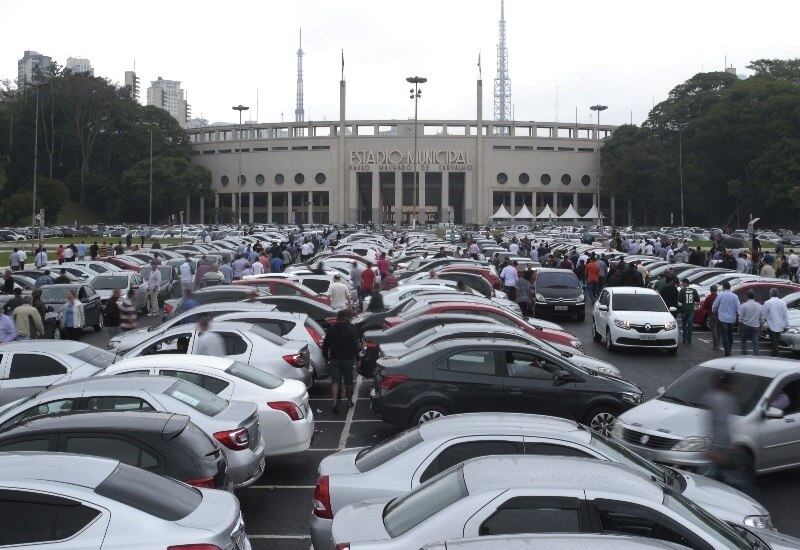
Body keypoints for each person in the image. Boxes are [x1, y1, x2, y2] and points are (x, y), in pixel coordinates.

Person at [703, 372, 758, 498]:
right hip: (724, 450)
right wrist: (720, 452)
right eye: (735, 385)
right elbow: (721, 426)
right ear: (729, 385)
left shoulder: (711, 397)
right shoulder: (723, 400)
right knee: (742, 481)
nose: (737, 388)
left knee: (718, 478)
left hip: (719, 449)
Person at [321, 309, 360, 413]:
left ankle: (335, 402)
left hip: (335, 359)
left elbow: (325, 346)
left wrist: (326, 357)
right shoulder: (352, 329)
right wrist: (358, 359)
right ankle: (349, 401)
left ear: (337, 318)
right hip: (348, 359)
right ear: (346, 318)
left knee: (335, 381)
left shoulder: (331, 330)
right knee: (348, 381)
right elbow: (356, 346)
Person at [712, 281, 741, 357]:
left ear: (723, 287)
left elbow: (714, 306)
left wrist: (714, 311)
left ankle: (727, 352)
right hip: (732, 319)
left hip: (722, 318)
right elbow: (738, 308)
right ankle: (729, 349)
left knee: (724, 336)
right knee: (730, 335)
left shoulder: (720, 295)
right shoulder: (735, 296)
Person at [762, 288, 789, 357]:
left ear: (770, 294)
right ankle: (774, 354)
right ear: (777, 294)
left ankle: (775, 355)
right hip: (780, 325)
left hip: (771, 325)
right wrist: (787, 325)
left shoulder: (767, 302)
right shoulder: (783, 302)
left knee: (774, 342)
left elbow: (763, 314)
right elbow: (786, 314)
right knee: (776, 341)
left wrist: (762, 322)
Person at [738, 289, 762, 356]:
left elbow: (740, 318)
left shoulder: (743, 305)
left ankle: (744, 354)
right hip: (755, 326)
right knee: (755, 343)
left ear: (747, 296)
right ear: (754, 296)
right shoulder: (759, 306)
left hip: (745, 326)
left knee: (743, 342)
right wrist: (761, 327)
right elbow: (762, 318)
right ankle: (756, 356)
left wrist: (739, 327)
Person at [677, 279, 700, 344]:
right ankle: (689, 339)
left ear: (685, 283)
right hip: (691, 310)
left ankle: (684, 339)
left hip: (684, 310)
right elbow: (698, 299)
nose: (682, 284)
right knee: (690, 325)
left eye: (682, 283)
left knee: (684, 325)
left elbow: (679, 300)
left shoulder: (682, 290)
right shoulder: (694, 290)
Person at [701, 285, 721, 351]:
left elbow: (704, 306)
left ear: (710, 290)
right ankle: (719, 343)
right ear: (716, 290)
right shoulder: (719, 297)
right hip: (720, 315)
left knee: (714, 331)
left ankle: (716, 346)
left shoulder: (709, 297)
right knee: (719, 330)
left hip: (712, 315)